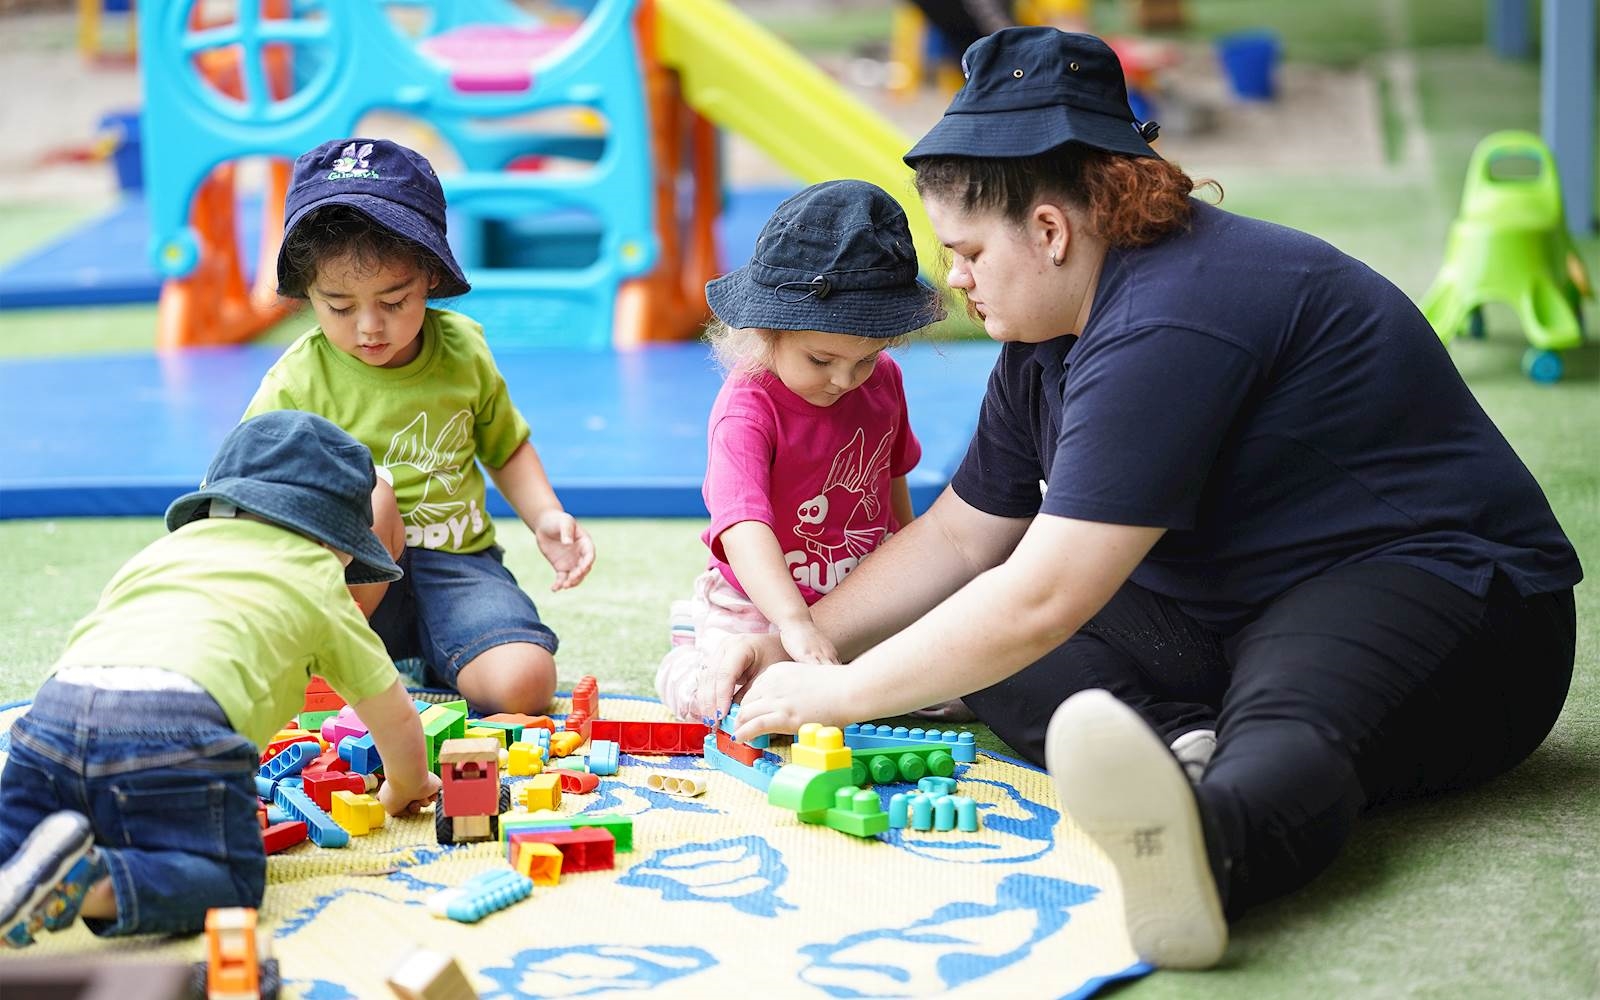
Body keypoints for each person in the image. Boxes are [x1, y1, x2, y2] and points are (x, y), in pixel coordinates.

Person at [700, 28, 1581, 970]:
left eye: (962, 251)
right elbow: (963, 537)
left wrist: (839, 693)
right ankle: (1186, 747)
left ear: (1049, 230)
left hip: (1455, 603)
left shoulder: (1178, 307)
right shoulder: (1047, 326)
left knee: (1274, 711)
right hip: (1234, 607)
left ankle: (1209, 844)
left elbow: (1047, 592)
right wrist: (797, 636)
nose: (950, 281)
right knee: (974, 637)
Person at [0, 411, 442, 947]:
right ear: (336, 538)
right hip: (176, 730)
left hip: (52, 717)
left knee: (17, 832)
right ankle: (91, 881)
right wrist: (406, 784)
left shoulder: (161, 553)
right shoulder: (318, 577)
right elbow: (391, 713)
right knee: (230, 880)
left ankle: (22, 858)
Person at [246, 137, 595, 716]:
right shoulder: (296, 381)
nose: (369, 328)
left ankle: (428, 653)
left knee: (525, 685)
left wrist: (546, 516)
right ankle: (338, 650)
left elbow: (505, 446)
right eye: (339, 305)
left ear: (430, 276)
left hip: (456, 564)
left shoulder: (462, 348)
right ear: (307, 293)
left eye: (394, 300)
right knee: (371, 490)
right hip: (347, 581)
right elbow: (251, 492)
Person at [655, 180, 947, 721]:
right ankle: (691, 649)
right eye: (820, 360)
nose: (845, 379)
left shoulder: (881, 379)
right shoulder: (747, 407)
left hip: (859, 591)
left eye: (864, 359)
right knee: (732, 700)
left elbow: (891, 477)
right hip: (761, 600)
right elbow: (743, 526)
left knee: (937, 688)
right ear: (767, 333)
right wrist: (792, 621)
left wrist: (912, 573)